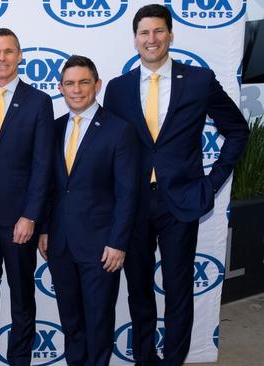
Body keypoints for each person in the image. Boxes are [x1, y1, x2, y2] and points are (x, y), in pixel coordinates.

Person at [103, 4, 249, 365]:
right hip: (134, 204)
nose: (150, 39)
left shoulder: (199, 80)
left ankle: (173, 360)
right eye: (143, 33)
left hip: (180, 202)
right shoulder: (118, 89)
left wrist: (211, 183)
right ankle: (144, 358)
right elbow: (110, 150)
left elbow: (236, 129)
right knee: (138, 290)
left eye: (158, 31)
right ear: (135, 39)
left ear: (170, 34)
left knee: (179, 289)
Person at [39, 55, 139, 366]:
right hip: (60, 243)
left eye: (84, 82)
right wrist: (44, 228)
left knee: (97, 323)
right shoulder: (53, 129)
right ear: (60, 88)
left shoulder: (119, 130)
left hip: (101, 246)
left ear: (97, 85)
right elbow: (47, 186)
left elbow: (127, 193)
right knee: (71, 322)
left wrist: (118, 242)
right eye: (69, 83)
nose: (77, 89)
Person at [0, 28, 53, 366]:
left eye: (8, 51)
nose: (1, 58)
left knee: (21, 300)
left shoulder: (38, 102)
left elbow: (43, 165)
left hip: (20, 222)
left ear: (20, 57)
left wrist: (31, 216)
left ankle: (20, 361)